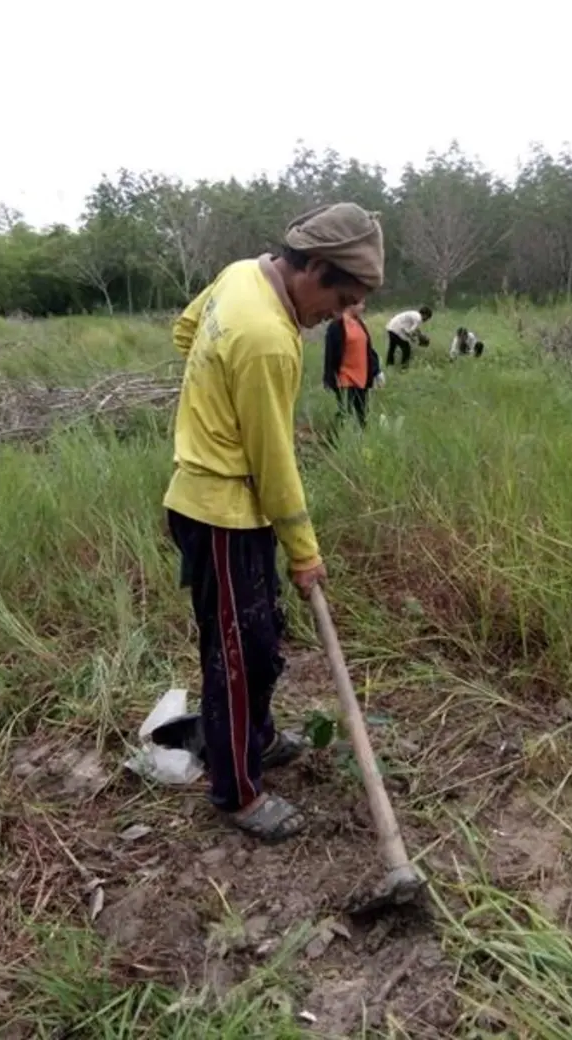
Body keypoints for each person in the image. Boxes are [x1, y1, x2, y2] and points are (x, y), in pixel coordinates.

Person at [162, 202, 384, 843]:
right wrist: (305, 553)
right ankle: (236, 790)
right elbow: (274, 463)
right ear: (312, 268)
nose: (337, 316)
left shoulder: (240, 274)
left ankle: (254, 737)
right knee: (237, 654)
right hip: (221, 512)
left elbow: (185, 331)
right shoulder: (265, 339)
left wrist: (214, 392)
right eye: (339, 299)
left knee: (259, 639)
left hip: (237, 508)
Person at [322, 301, 384, 428]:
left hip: (361, 378)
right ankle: (336, 436)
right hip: (345, 378)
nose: (363, 307)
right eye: (361, 304)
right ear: (352, 304)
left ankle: (362, 437)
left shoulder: (360, 324)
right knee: (345, 413)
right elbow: (330, 354)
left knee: (362, 415)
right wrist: (329, 378)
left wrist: (377, 371)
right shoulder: (337, 325)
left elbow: (368, 350)